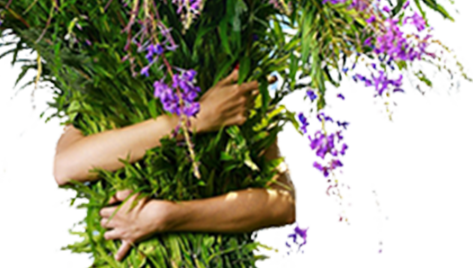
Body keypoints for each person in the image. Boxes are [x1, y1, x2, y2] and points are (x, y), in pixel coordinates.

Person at [54, 67, 297, 263]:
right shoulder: (100, 83)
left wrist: (169, 216)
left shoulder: (228, 84)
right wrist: (194, 119)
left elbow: (281, 205)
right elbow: (66, 167)